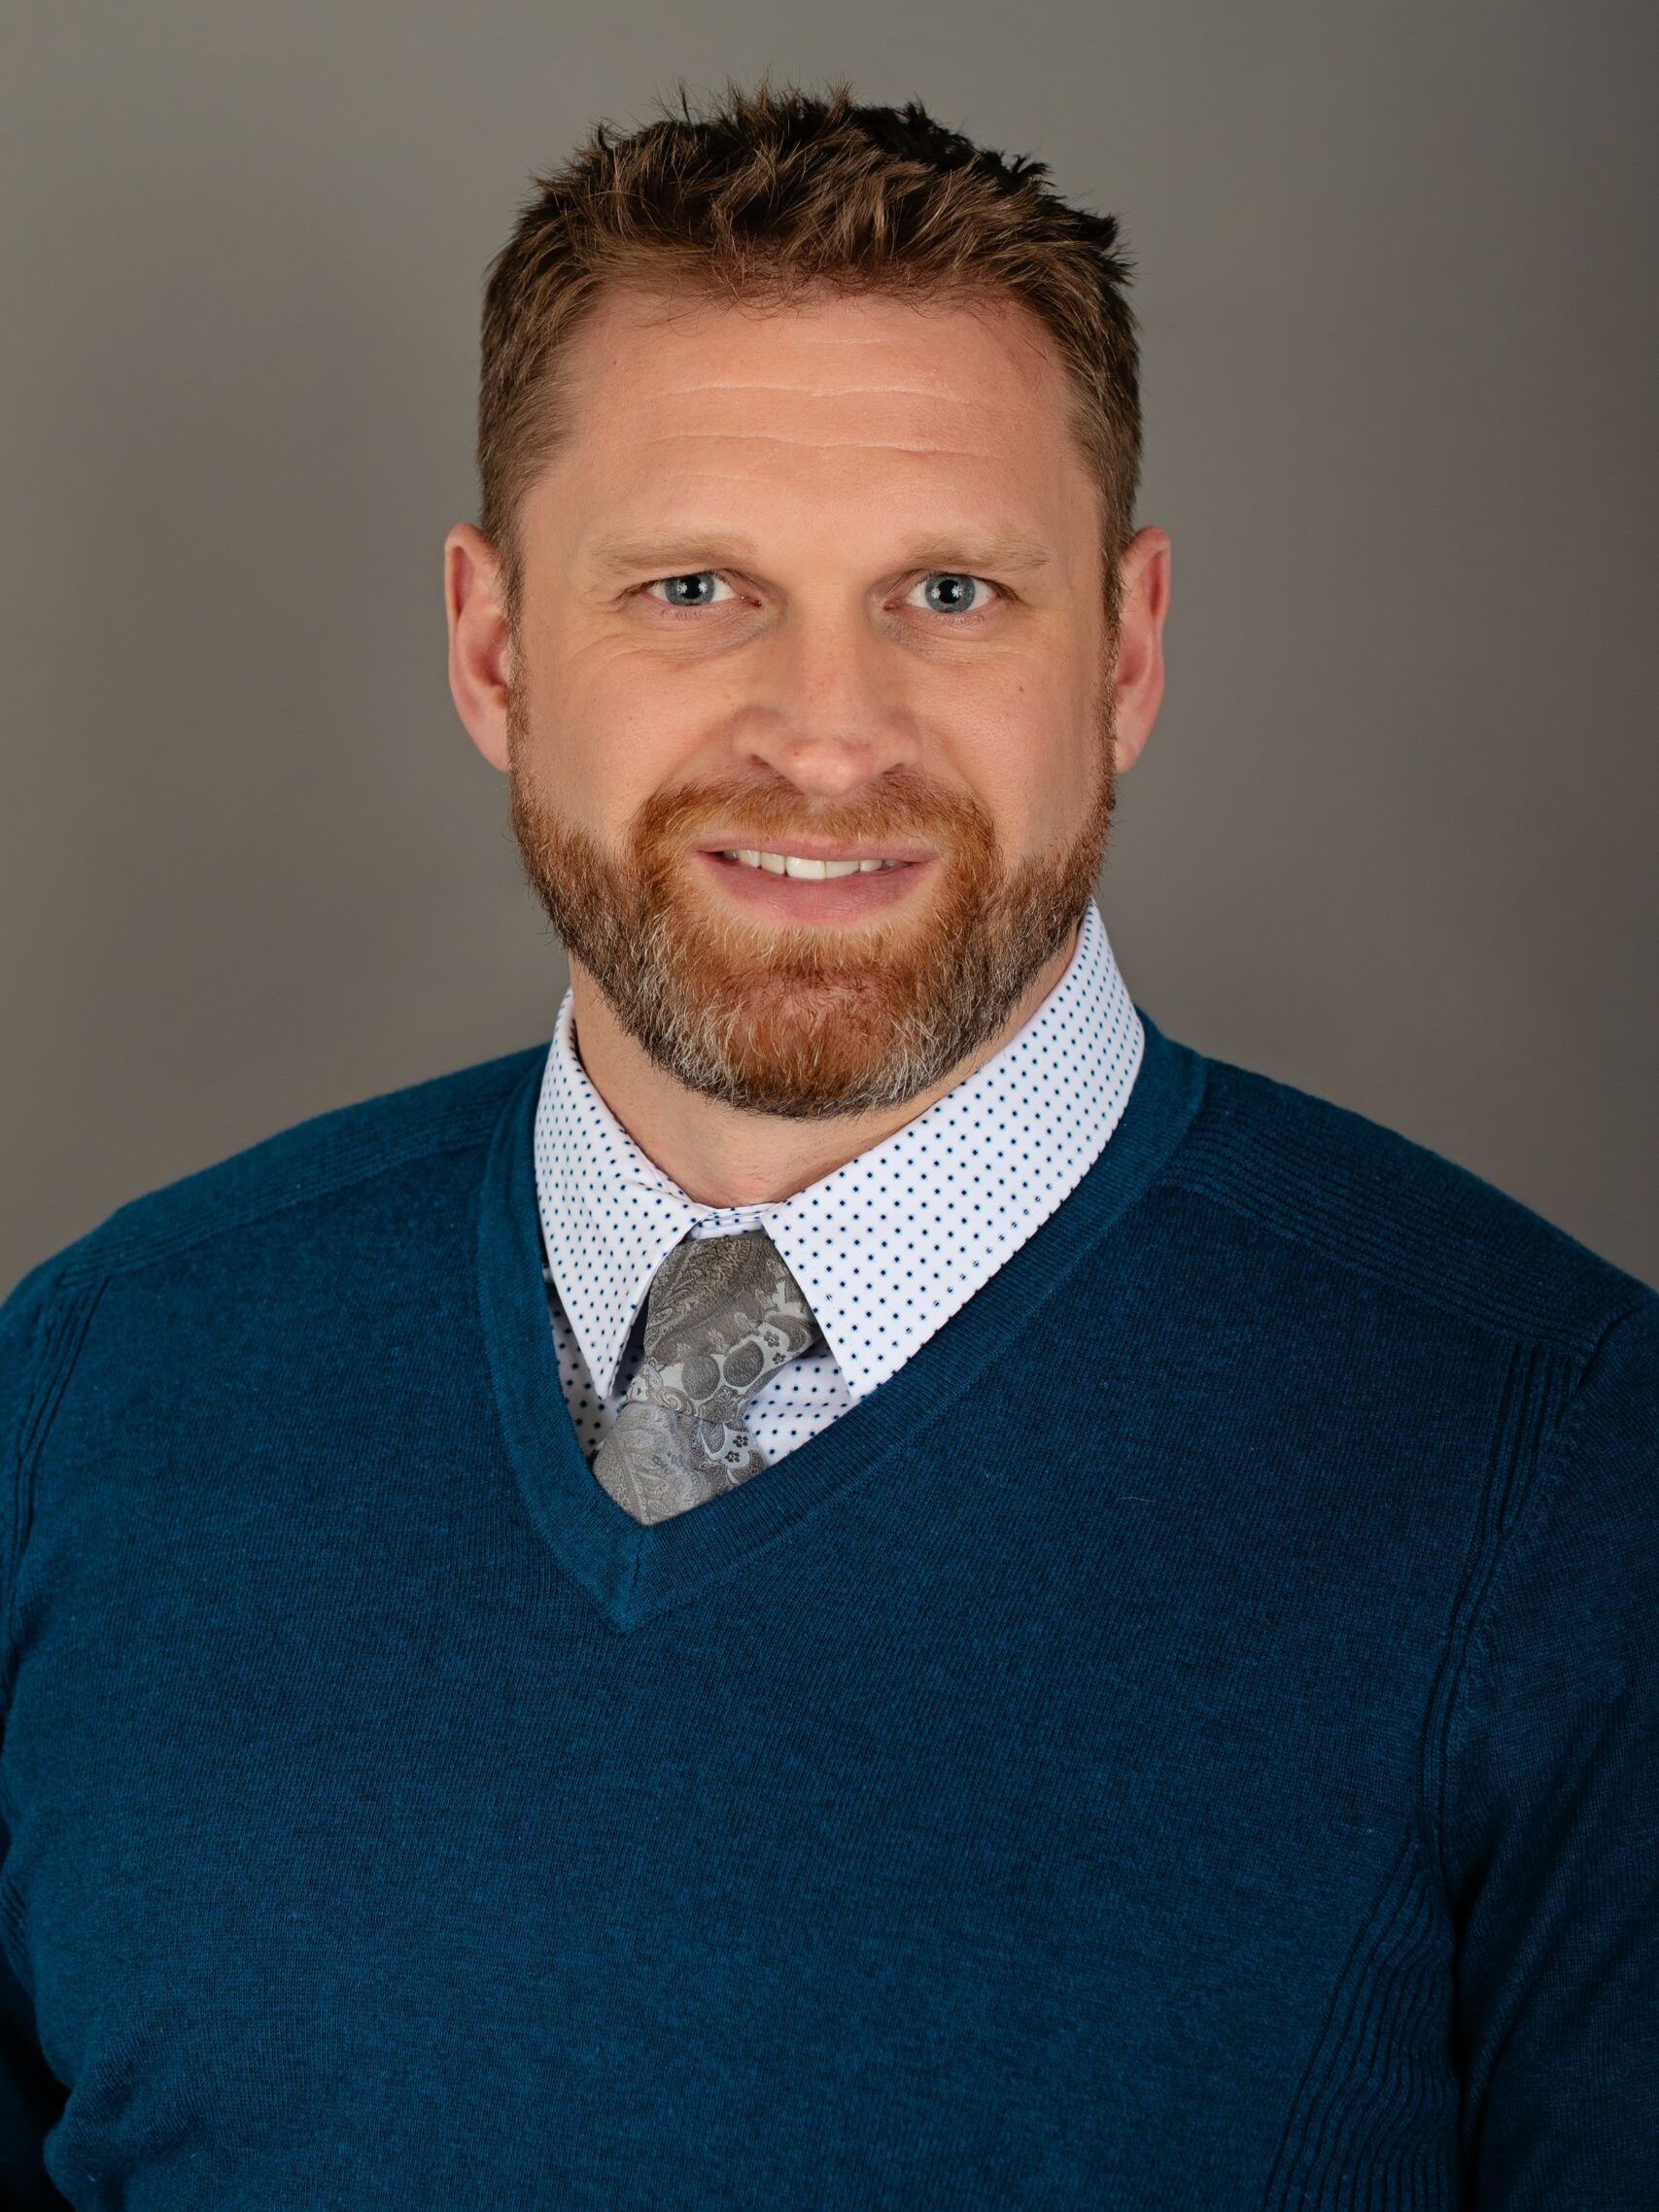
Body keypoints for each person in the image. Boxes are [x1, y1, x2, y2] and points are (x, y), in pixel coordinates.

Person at [0, 75, 1652, 2211]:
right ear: (493, 647)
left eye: (949, 596)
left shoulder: (1570, 1484)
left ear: (1125, 652)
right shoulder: (92, 1395)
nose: (828, 733)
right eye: (694, 586)